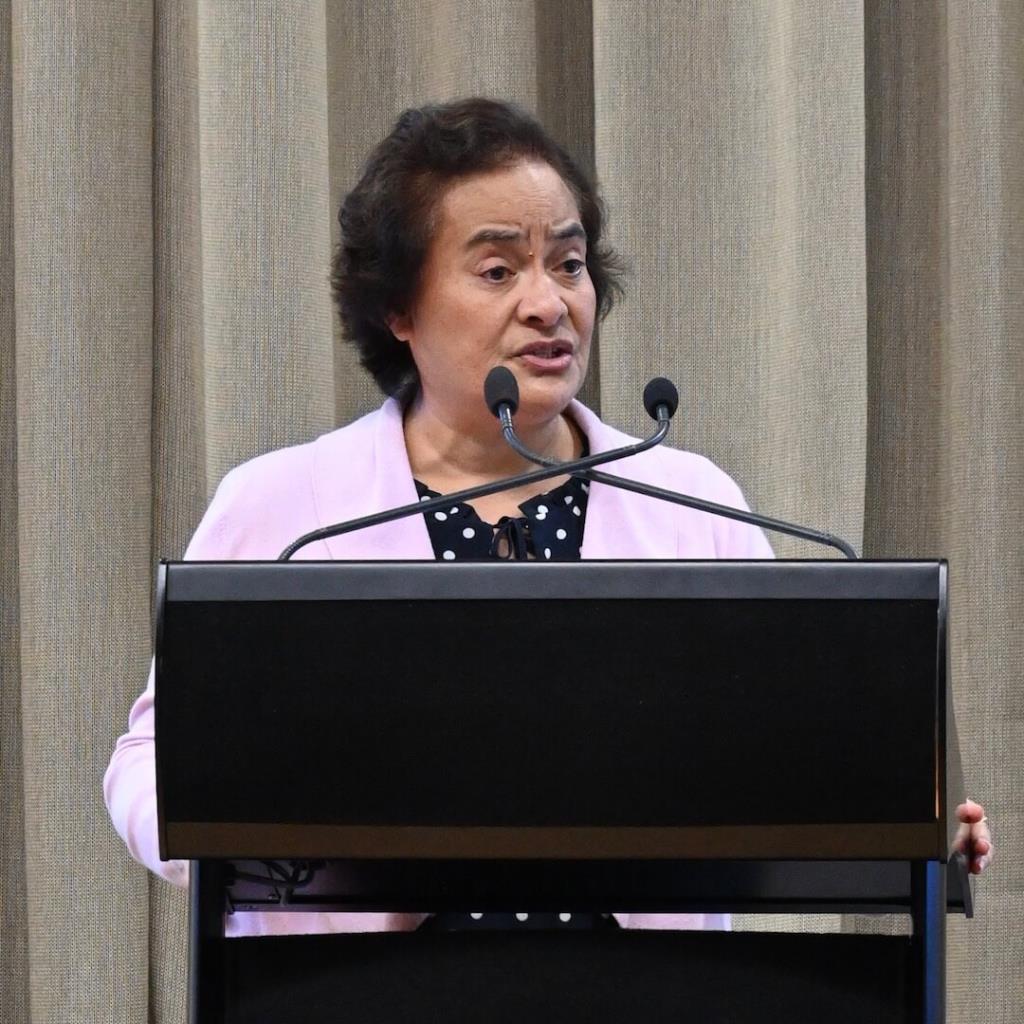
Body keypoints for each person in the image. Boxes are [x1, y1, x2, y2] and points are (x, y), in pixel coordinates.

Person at [104, 98, 992, 937]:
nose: (548, 302)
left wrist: (907, 815)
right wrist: (244, 832)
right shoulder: (287, 507)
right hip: (351, 987)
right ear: (398, 308)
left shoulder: (691, 505)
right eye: (498, 270)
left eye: (568, 264)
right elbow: (150, 761)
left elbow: (784, 757)